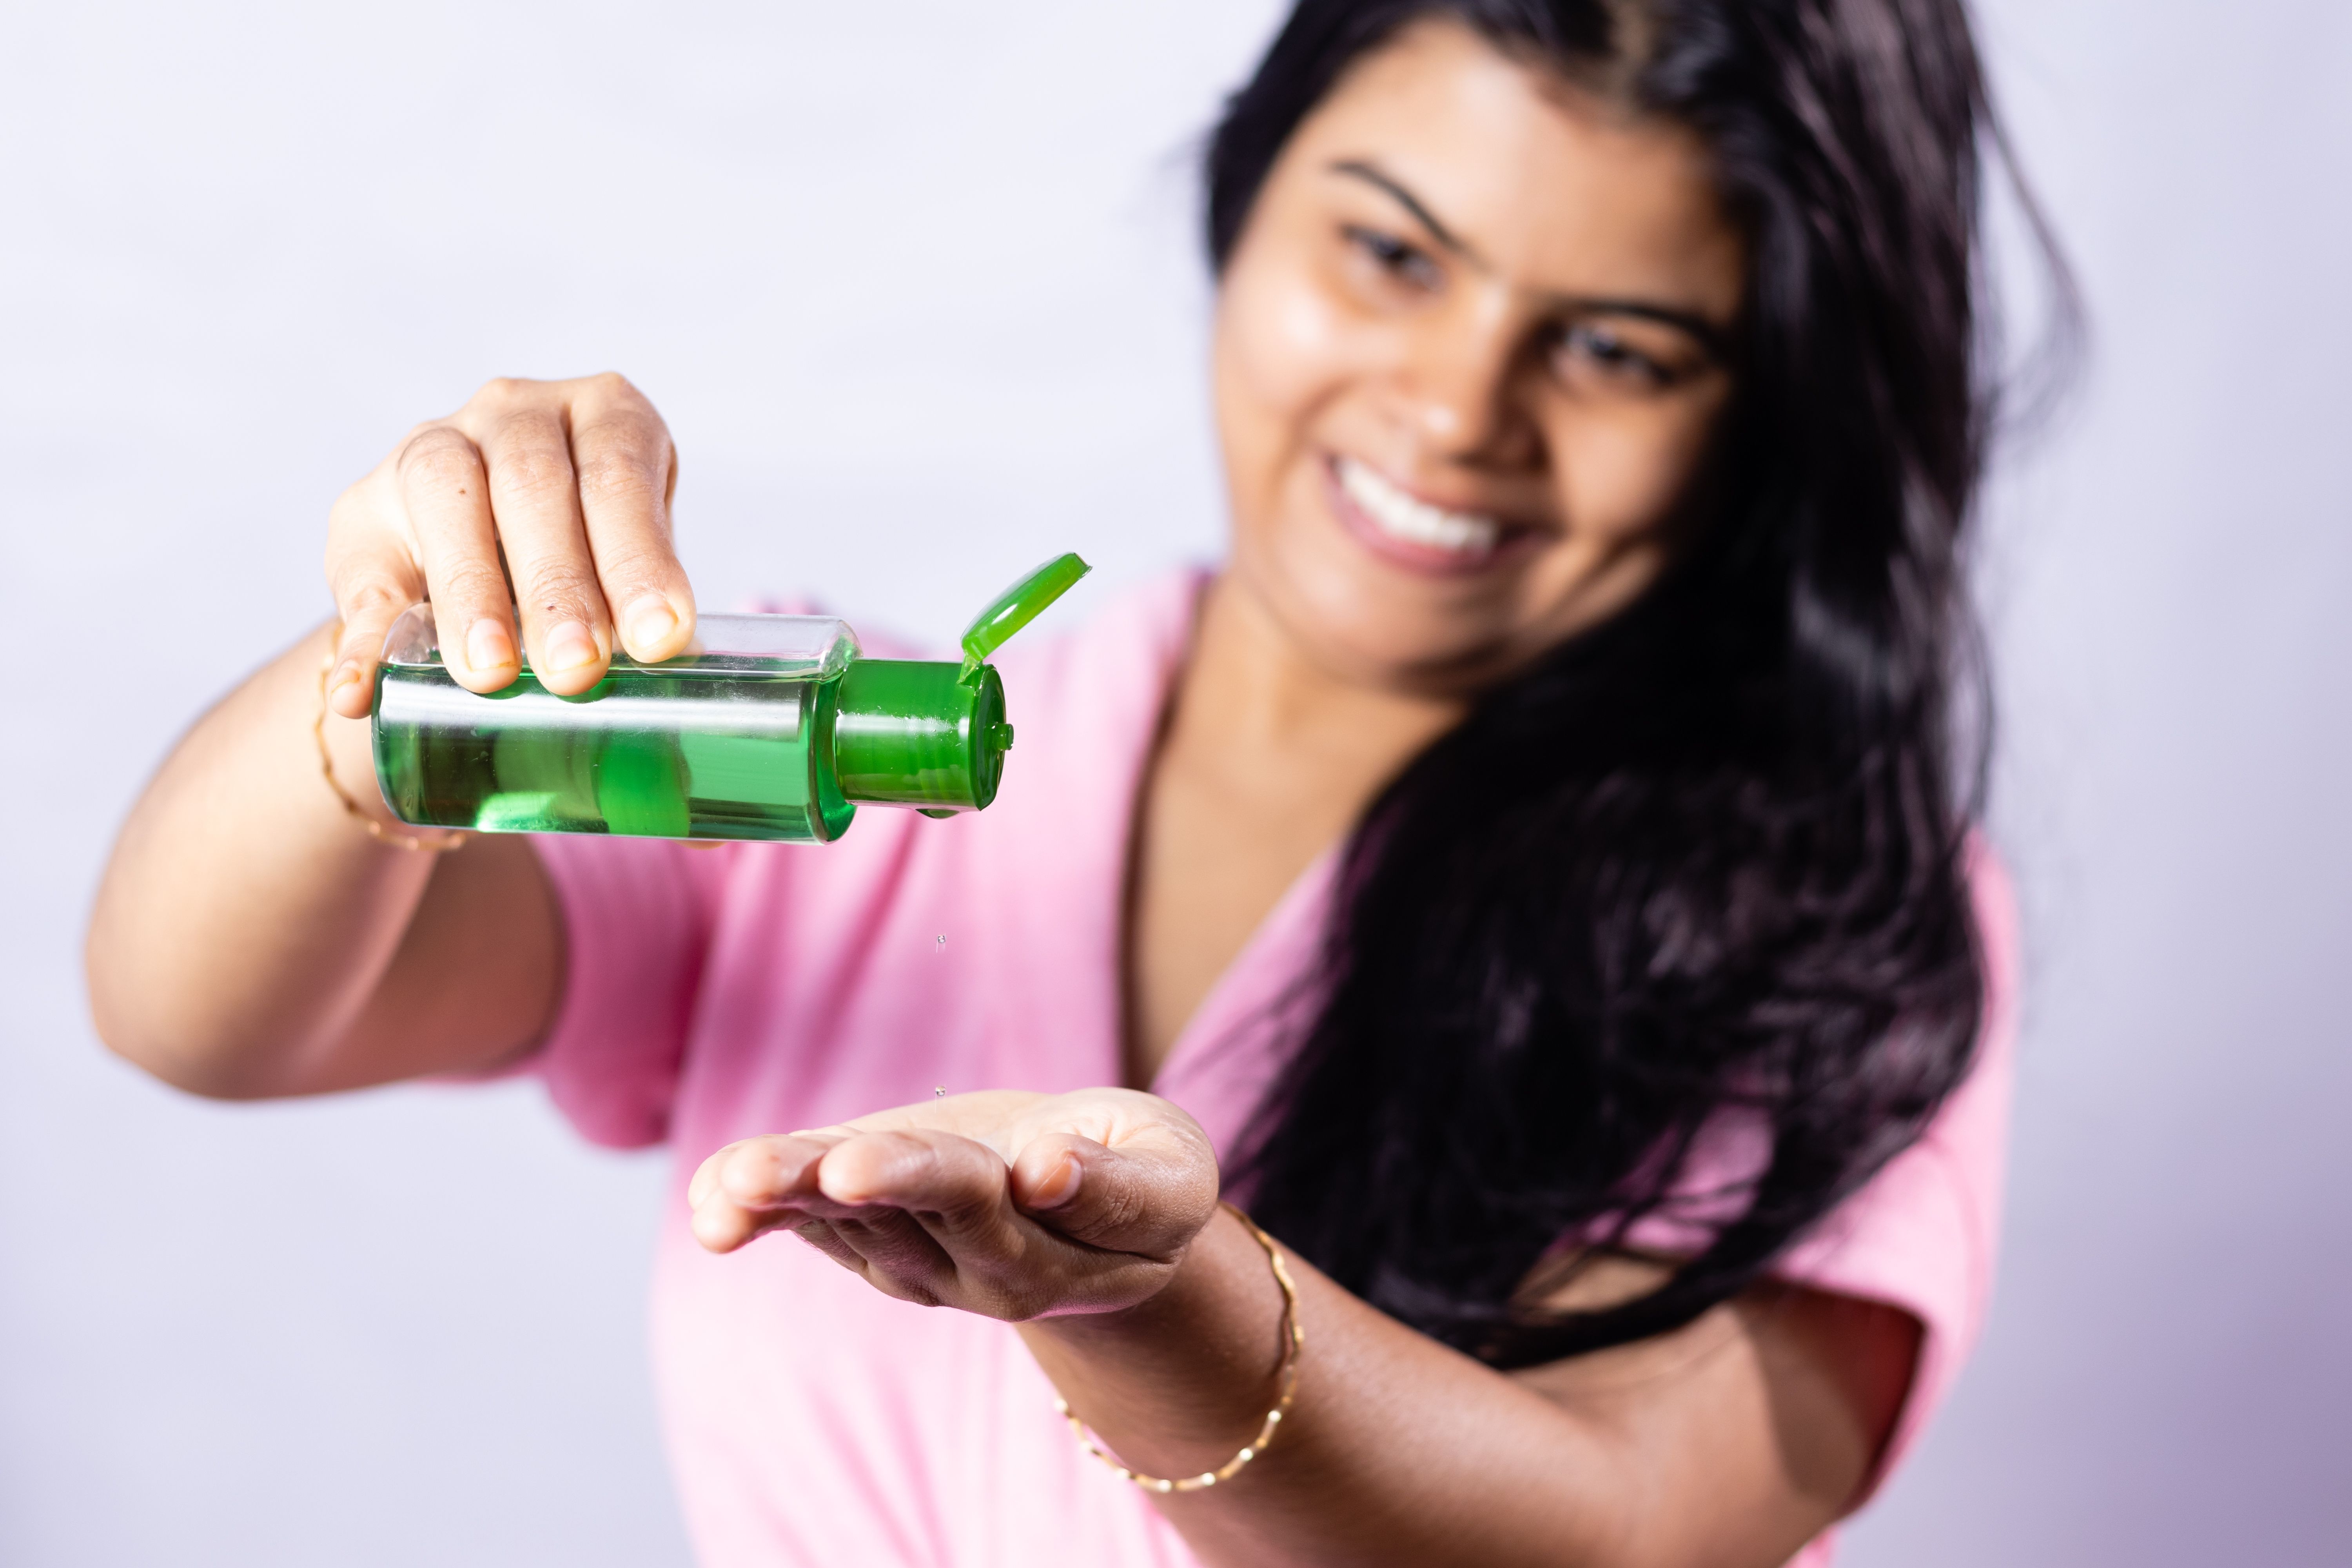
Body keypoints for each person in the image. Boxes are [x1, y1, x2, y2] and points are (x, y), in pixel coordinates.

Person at [87, 1, 2055, 1563]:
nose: (1458, 412)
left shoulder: (1827, 910)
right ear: (1245, 196)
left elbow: (1614, 1525)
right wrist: (383, 698)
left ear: (1766, 404)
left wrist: (1154, 1304)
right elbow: (205, 1015)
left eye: (1620, 348)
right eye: (1389, 251)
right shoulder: (810, 787)